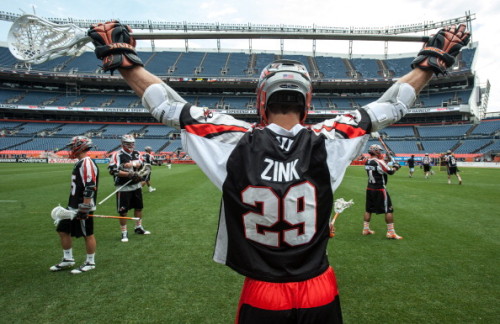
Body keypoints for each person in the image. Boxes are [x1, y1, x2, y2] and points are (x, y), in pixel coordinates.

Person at [88, 21, 469, 323]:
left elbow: (166, 106)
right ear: (306, 102)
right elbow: (392, 106)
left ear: (261, 99)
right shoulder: (331, 137)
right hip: (318, 284)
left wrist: (126, 63)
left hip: (262, 288)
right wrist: (429, 65)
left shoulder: (231, 141)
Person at [50, 136, 99, 274]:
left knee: (87, 234)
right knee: (63, 230)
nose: (71, 149)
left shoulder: (87, 163)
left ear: (80, 146)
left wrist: (85, 207)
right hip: (72, 206)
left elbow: (90, 186)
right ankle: (68, 259)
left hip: (82, 206)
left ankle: (90, 262)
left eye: (73, 146)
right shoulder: (80, 162)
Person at [108, 134, 151, 242]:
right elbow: (112, 171)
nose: (131, 145)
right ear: (122, 144)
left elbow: (142, 165)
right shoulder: (117, 155)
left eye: (132, 143)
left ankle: (138, 227)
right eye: (128, 143)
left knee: (139, 207)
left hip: (136, 185)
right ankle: (124, 232)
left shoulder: (137, 153)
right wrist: (129, 174)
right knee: (123, 211)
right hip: (123, 186)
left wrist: (134, 165)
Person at [363, 144, 403, 239]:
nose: (380, 152)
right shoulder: (379, 161)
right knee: (388, 210)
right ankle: (391, 232)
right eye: (379, 151)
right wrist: (396, 167)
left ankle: (365, 229)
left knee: (368, 210)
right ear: (375, 151)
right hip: (380, 189)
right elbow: (390, 172)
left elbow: (381, 165)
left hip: (370, 188)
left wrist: (387, 159)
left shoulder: (367, 161)